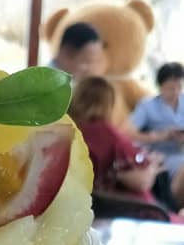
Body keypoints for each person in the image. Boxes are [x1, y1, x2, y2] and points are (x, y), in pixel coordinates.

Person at [69, 76, 183, 221]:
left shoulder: (69, 130)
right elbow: (140, 181)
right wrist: (151, 166)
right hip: (133, 212)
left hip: (96, 209)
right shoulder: (106, 133)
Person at [126, 62, 184, 208]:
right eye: (171, 88)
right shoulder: (147, 106)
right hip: (159, 155)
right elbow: (127, 133)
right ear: (160, 86)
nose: (176, 92)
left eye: (179, 87)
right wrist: (158, 136)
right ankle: (173, 207)